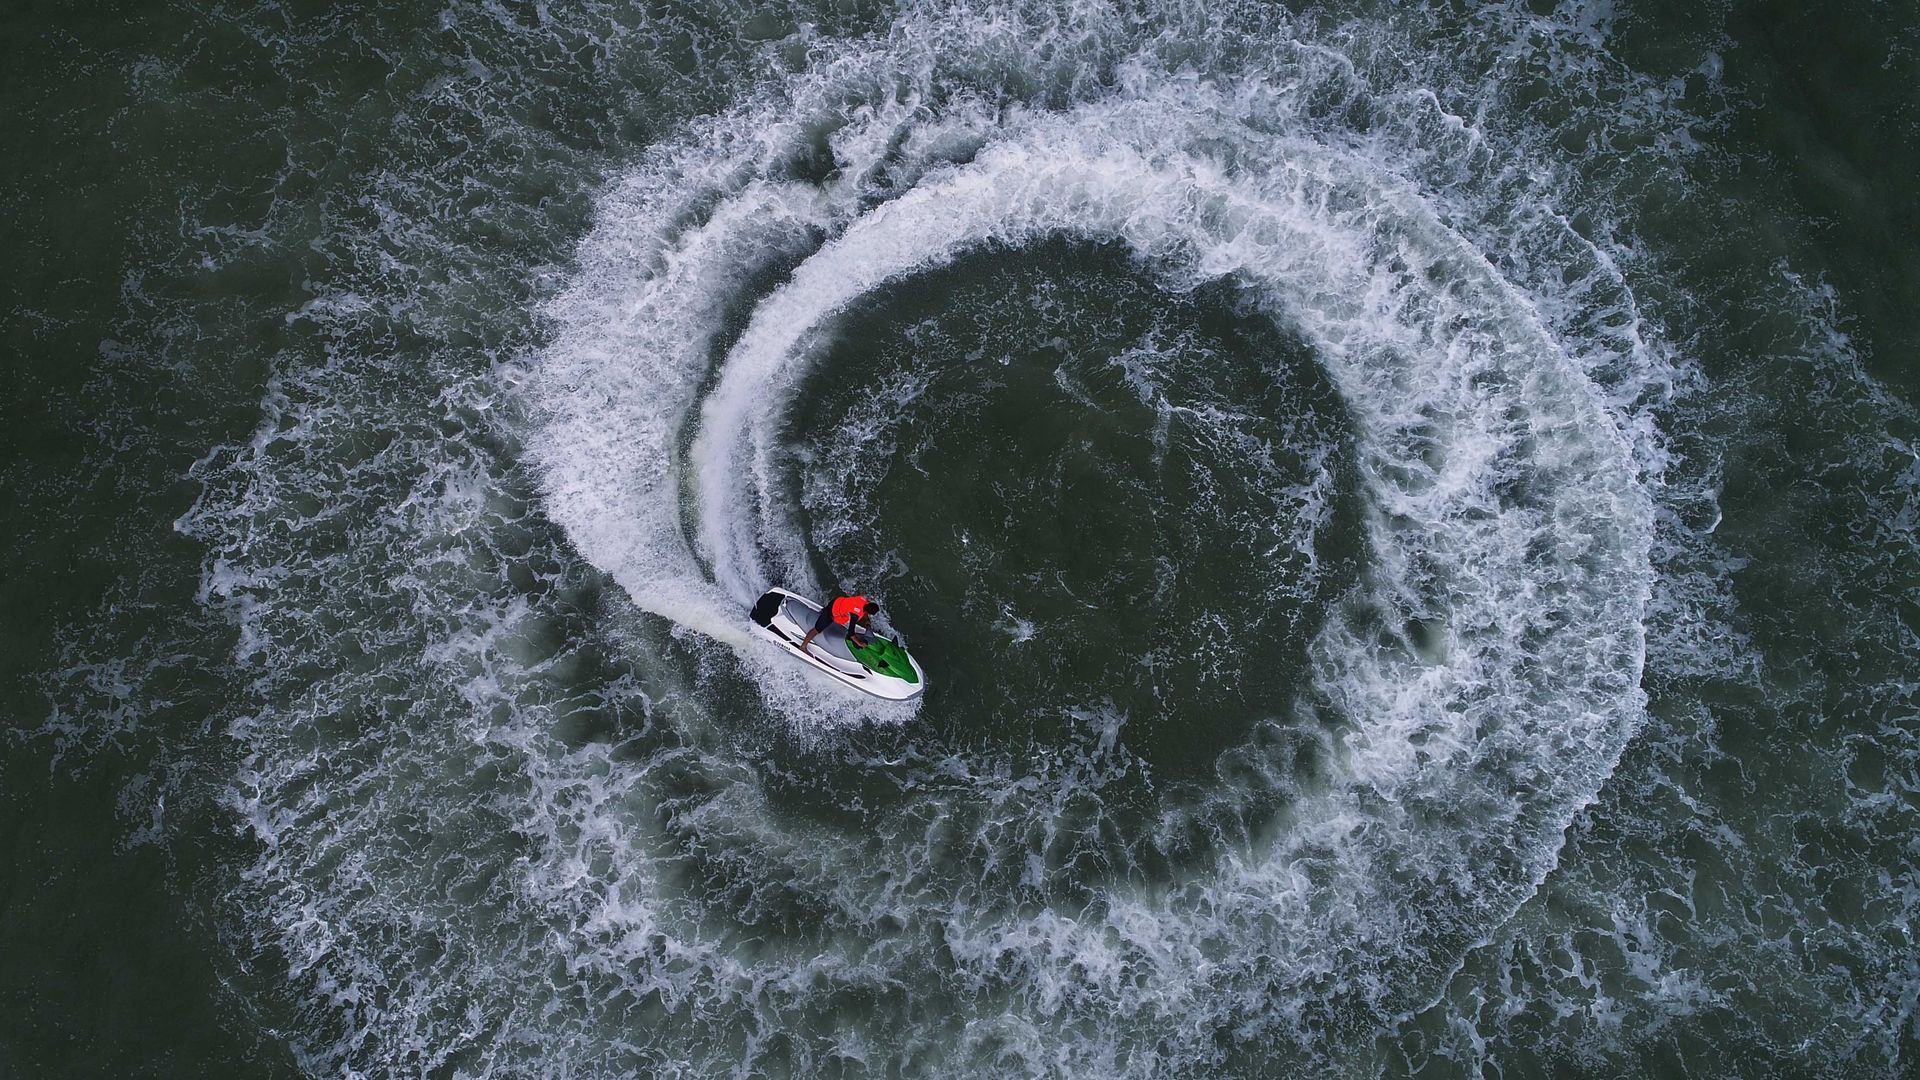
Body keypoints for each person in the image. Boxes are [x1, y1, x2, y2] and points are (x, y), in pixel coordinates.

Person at [801, 594, 877, 658]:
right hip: (831, 612)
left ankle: (823, 612)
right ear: (867, 611)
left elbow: (864, 610)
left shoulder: (863, 599)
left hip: (837, 601)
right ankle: (803, 646)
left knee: (839, 617)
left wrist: (866, 619)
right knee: (817, 629)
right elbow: (851, 633)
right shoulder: (855, 615)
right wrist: (859, 643)